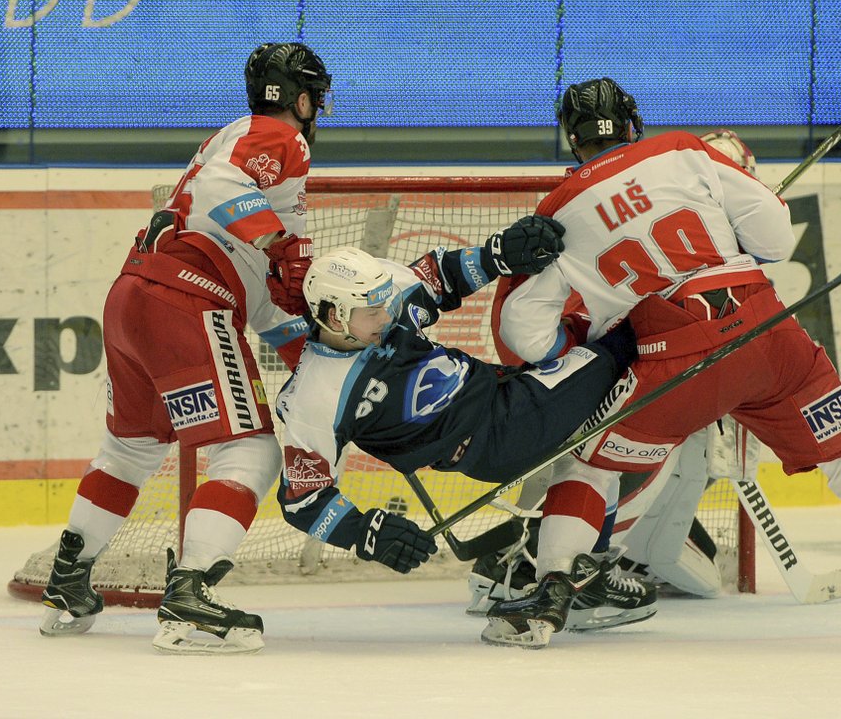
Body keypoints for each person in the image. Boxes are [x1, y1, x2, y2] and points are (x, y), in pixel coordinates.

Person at [481, 77, 841, 652]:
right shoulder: (683, 151)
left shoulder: (557, 211)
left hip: (672, 360)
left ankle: (552, 596)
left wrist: (584, 343)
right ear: (634, 121)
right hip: (768, 336)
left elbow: (523, 336)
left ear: (572, 140)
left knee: (589, 466)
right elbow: (776, 238)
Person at [38, 42, 333, 654]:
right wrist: (279, 243)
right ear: (302, 99)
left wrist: (318, 363)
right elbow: (229, 195)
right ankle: (191, 597)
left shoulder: (232, 142)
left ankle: (68, 580)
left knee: (130, 448)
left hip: (132, 297)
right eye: (316, 98)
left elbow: (266, 302)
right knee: (249, 453)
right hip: (186, 301)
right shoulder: (280, 138)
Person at [275, 237, 656, 633]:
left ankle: (573, 574)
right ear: (336, 317)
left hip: (503, 390)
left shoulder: (381, 294)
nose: (387, 317)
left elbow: (440, 277)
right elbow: (303, 500)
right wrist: (367, 533)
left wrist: (503, 251)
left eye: (385, 305)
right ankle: (567, 577)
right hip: (497, 436)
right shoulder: (314, 399)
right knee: (623, 343)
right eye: (373, 312)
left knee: (593, 455)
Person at [467, 130, 765, 611]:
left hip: (551, 371)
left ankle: (532, 559)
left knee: (602, 453)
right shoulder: (675, 240)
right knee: (644, 438)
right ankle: (563, 564)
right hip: (577, 368)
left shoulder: (619, 211)